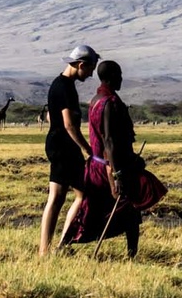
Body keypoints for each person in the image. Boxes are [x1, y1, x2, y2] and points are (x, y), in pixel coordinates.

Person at [61, 59, 166, 258]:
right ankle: (130, 254)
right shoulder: (109, 103)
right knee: (127, 209)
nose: (121, 79)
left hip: (98, 165)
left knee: (99, 210)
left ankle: (67, 244)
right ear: (111, 78)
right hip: (109, 168)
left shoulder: (95, 100)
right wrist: (116, 174)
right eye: (119, 76)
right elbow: (109, 140)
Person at [38, 44, 99, 256]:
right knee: (67, 197)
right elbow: (69, 124)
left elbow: (50, 116)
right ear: (80, 65)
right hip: (64, 146)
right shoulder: (64, 87)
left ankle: (52, 248)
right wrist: (88, 149)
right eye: (90, 69)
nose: (91, 74)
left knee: (66, 196)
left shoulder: (60, 84)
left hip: (58, 143)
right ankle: (55, 247)